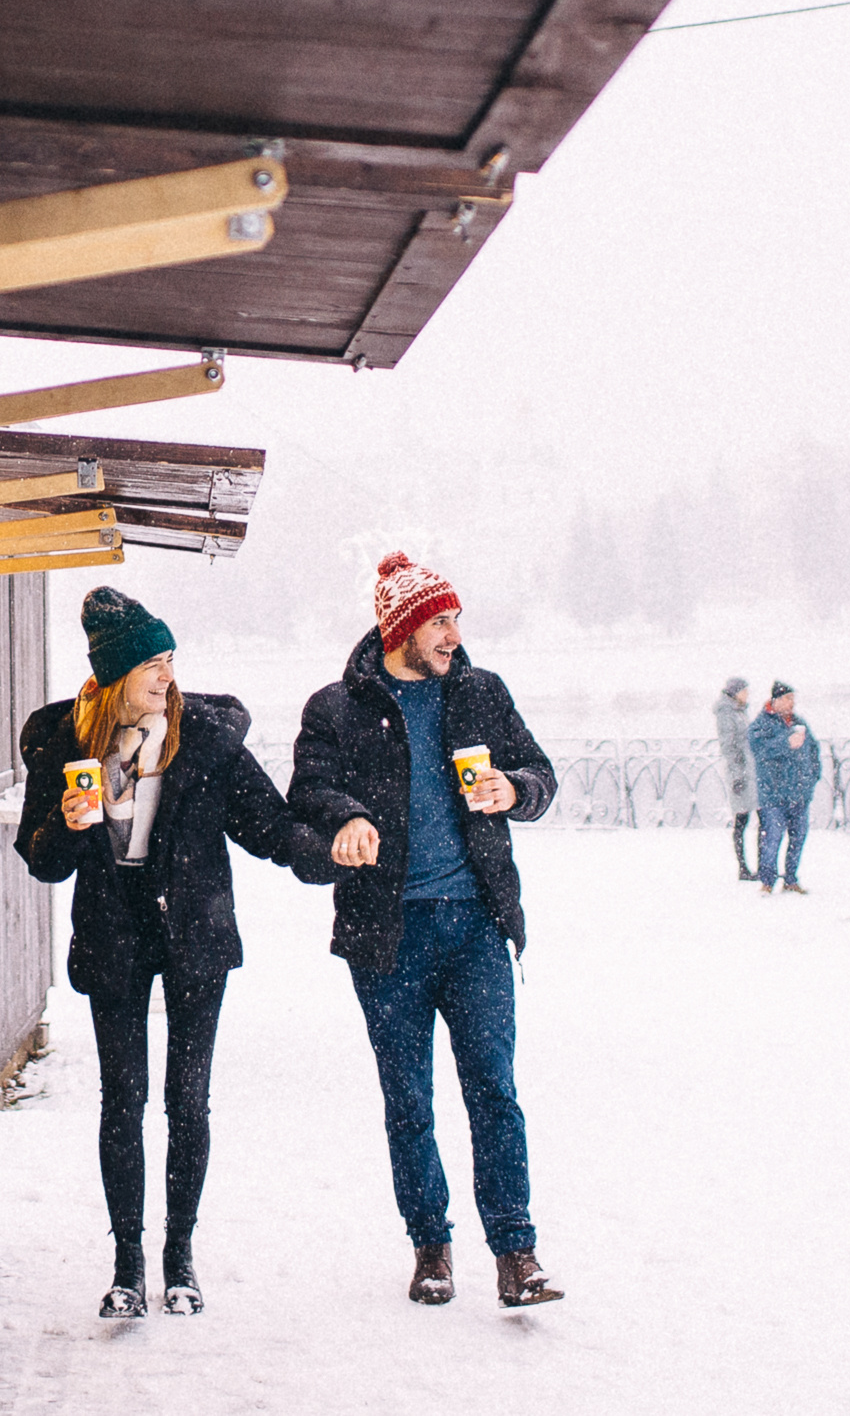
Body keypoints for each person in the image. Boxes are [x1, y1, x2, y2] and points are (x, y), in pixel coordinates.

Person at [16, 586, 331, 1319]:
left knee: (188, 1099)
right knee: (122, 1100)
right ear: (115, 675)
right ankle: (128, 1261)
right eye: (152, 664)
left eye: (170, 660)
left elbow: (273, 829)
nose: (166, 677)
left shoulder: (208, 740)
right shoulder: (67, 744)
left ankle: (179, 1255)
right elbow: (40, 857)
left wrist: (337, 853)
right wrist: (66, 825)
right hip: (112, 930)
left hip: (194, 930)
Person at [287, 552, 562, 1310]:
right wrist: (343, 817)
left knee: (494, 1090)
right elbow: (307, 790)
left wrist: (517, 789)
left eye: (455, 618)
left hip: (476, 925)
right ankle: (430, 1245)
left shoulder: (480, 693)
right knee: (408, 1097)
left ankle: (517, 1250)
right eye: (439, 620)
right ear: (400, 625)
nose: (453, 633)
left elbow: (539, 772)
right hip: (387, 935)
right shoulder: (336, 709)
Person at [748, 682, 821, 896]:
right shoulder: (761, 724)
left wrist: (812, 777)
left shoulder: (799, 723)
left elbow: (814, 751)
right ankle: (767, 881)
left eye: (793, 699)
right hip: (774, 794)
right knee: (772, 837)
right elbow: (759, 749)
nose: (792, 704)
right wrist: (786, 743)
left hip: (799, 793)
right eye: (788, 699)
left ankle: (791, 878)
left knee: (798, 838)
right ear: (776, 701)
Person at [715, 677, 756, 881]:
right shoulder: (726, 713)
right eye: (744, 691)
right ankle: (743, 867)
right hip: (739, 775)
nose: (747, 695)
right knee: (741, 820)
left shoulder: (740, 712)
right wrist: (737, 776)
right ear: (735, 692)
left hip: (750, 772)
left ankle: (757, 866)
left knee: (754, 818)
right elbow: (729, 747)